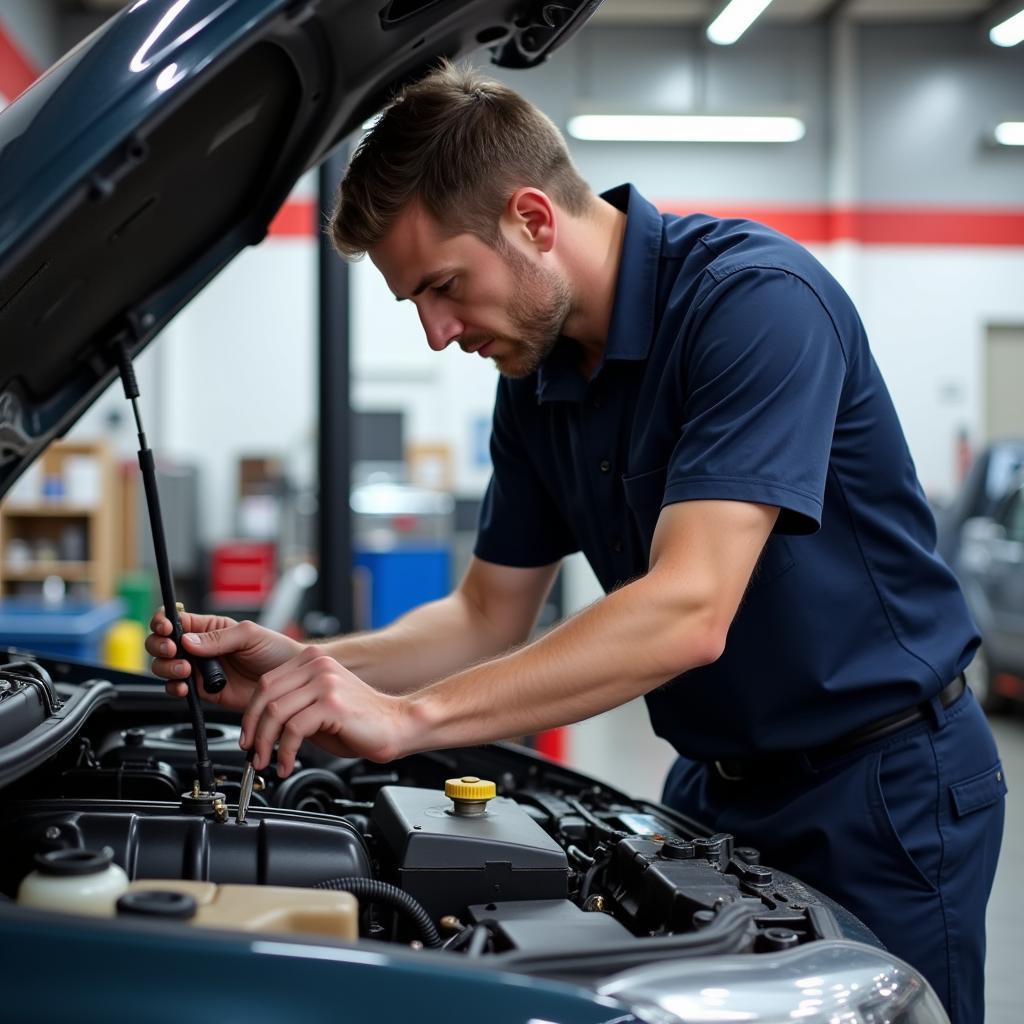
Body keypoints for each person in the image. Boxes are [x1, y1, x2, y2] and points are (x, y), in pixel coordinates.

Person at [148, 61, 1004, 1022]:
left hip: (882, 789)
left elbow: (688, 610)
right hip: (715, 785)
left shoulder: (753, 305)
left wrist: (411, 720)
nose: (435, 334)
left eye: (442, 287)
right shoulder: (538, 383)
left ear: (533, 221)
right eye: (415, 305)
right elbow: (484, 613)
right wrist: (310, 668)